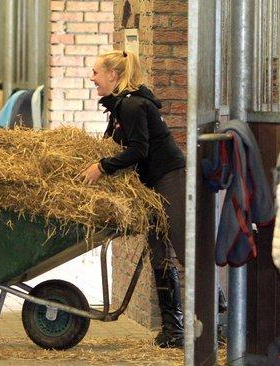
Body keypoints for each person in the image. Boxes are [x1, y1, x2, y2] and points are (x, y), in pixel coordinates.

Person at [79, 50, 186, 348]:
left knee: (186, 251)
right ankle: (174, 328)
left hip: (170, 179)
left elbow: (139, 151)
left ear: (113, 75)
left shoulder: (133, 105)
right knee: (158, 252)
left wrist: (101, 167)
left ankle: (219, 324)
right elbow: (113, 145)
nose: (93, 78)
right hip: (151, 186)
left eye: (96, 72)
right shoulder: (120, 107)